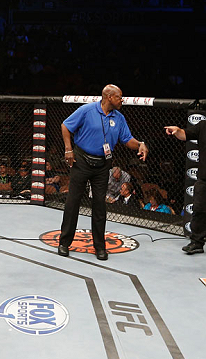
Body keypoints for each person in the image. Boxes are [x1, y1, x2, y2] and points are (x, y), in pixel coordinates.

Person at [58, 84, 148, 261]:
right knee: (73, 201)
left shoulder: (119, 118)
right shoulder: (87, 110)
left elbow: (127, 139)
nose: (122, 100)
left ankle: (100, 247)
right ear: (108, 97)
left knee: (99, 205)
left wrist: (140, 144)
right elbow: (65, 126)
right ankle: (64, 243)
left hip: (102, 165)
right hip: (81, 160)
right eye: (119, 97)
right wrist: (68, 149)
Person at [165, 120, 206, 254]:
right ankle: (197, 242)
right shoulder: (203, 126)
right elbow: (185, 134)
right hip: (204, 178)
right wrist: (177, 130)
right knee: (199, 209)